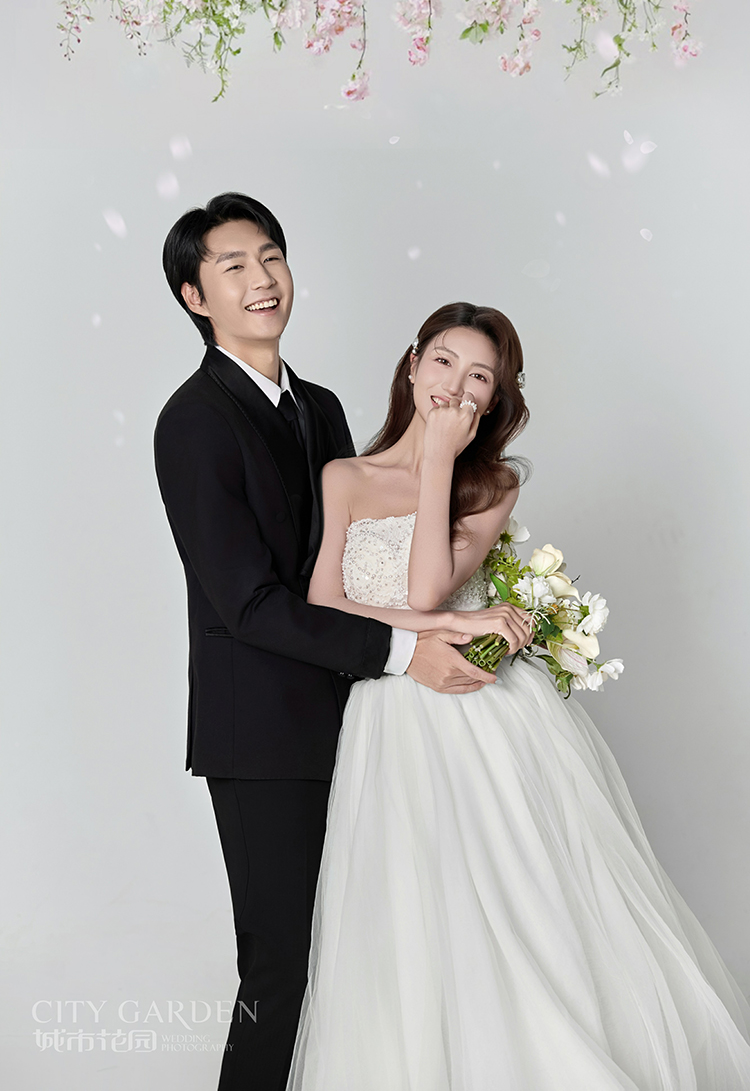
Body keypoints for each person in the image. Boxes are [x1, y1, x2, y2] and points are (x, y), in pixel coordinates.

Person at [286, 301, 750, 1090]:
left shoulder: (492, 482)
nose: (454, 385)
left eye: (480, 378)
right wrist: (443, 622)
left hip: (484, 716)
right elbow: (324, 605)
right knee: (414, 914)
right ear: (411, 364)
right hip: (390, 716)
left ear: (495, 400)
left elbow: (427, 586)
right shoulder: (345, 476)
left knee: (520, 907)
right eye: (443, 361)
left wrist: (440, 460)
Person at [153, 195, 524, 1091]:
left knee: (362, 963)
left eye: (271, 257)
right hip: (263, 736)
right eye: (233, 266)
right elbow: (248, 603)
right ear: (195, 296)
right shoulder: (193, 422)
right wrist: (407, 651)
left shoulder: (317, 408)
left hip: (359, 725)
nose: (261, 279)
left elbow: (361, 572)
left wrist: (448, 619)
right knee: (281, 969)